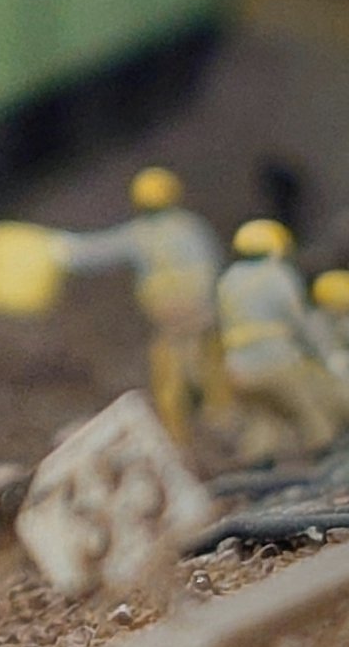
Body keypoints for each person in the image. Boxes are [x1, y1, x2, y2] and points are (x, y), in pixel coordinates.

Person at [50, 167, 229, 443]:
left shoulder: (142, 233)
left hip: (170, 312)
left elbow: (99, 250)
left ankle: (184, 427)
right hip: (195, 308)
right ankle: (216, 416)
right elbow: (212, 262)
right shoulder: (190, 227)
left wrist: (60, 249)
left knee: (175, 367)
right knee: (203, 361)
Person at [215, 219, 349, 462]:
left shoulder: (229, 280)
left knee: (265, 418)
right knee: (310, 411)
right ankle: (326, 457)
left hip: (238, 368)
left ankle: (256, 465)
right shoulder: (278, 276)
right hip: (275, 359)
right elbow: (299, 322)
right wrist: (319, 356)